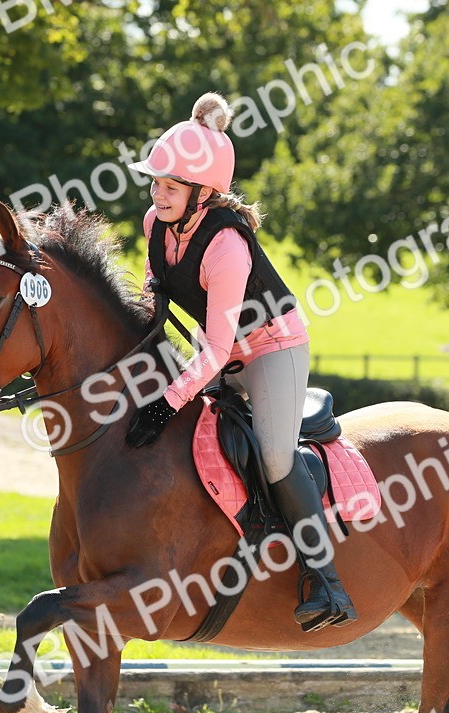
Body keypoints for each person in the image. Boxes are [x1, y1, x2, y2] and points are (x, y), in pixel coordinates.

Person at [124, 92, 357, 633]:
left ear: (203, 194)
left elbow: (215, 349)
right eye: (156, 182)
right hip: (222, 353)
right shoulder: (155, 224)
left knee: (275, 456)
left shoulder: (227, 246)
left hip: (272, 350)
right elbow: (149, 297)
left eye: (171, 186)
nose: (159, 193)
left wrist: (168, 401)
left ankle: (327, 581)